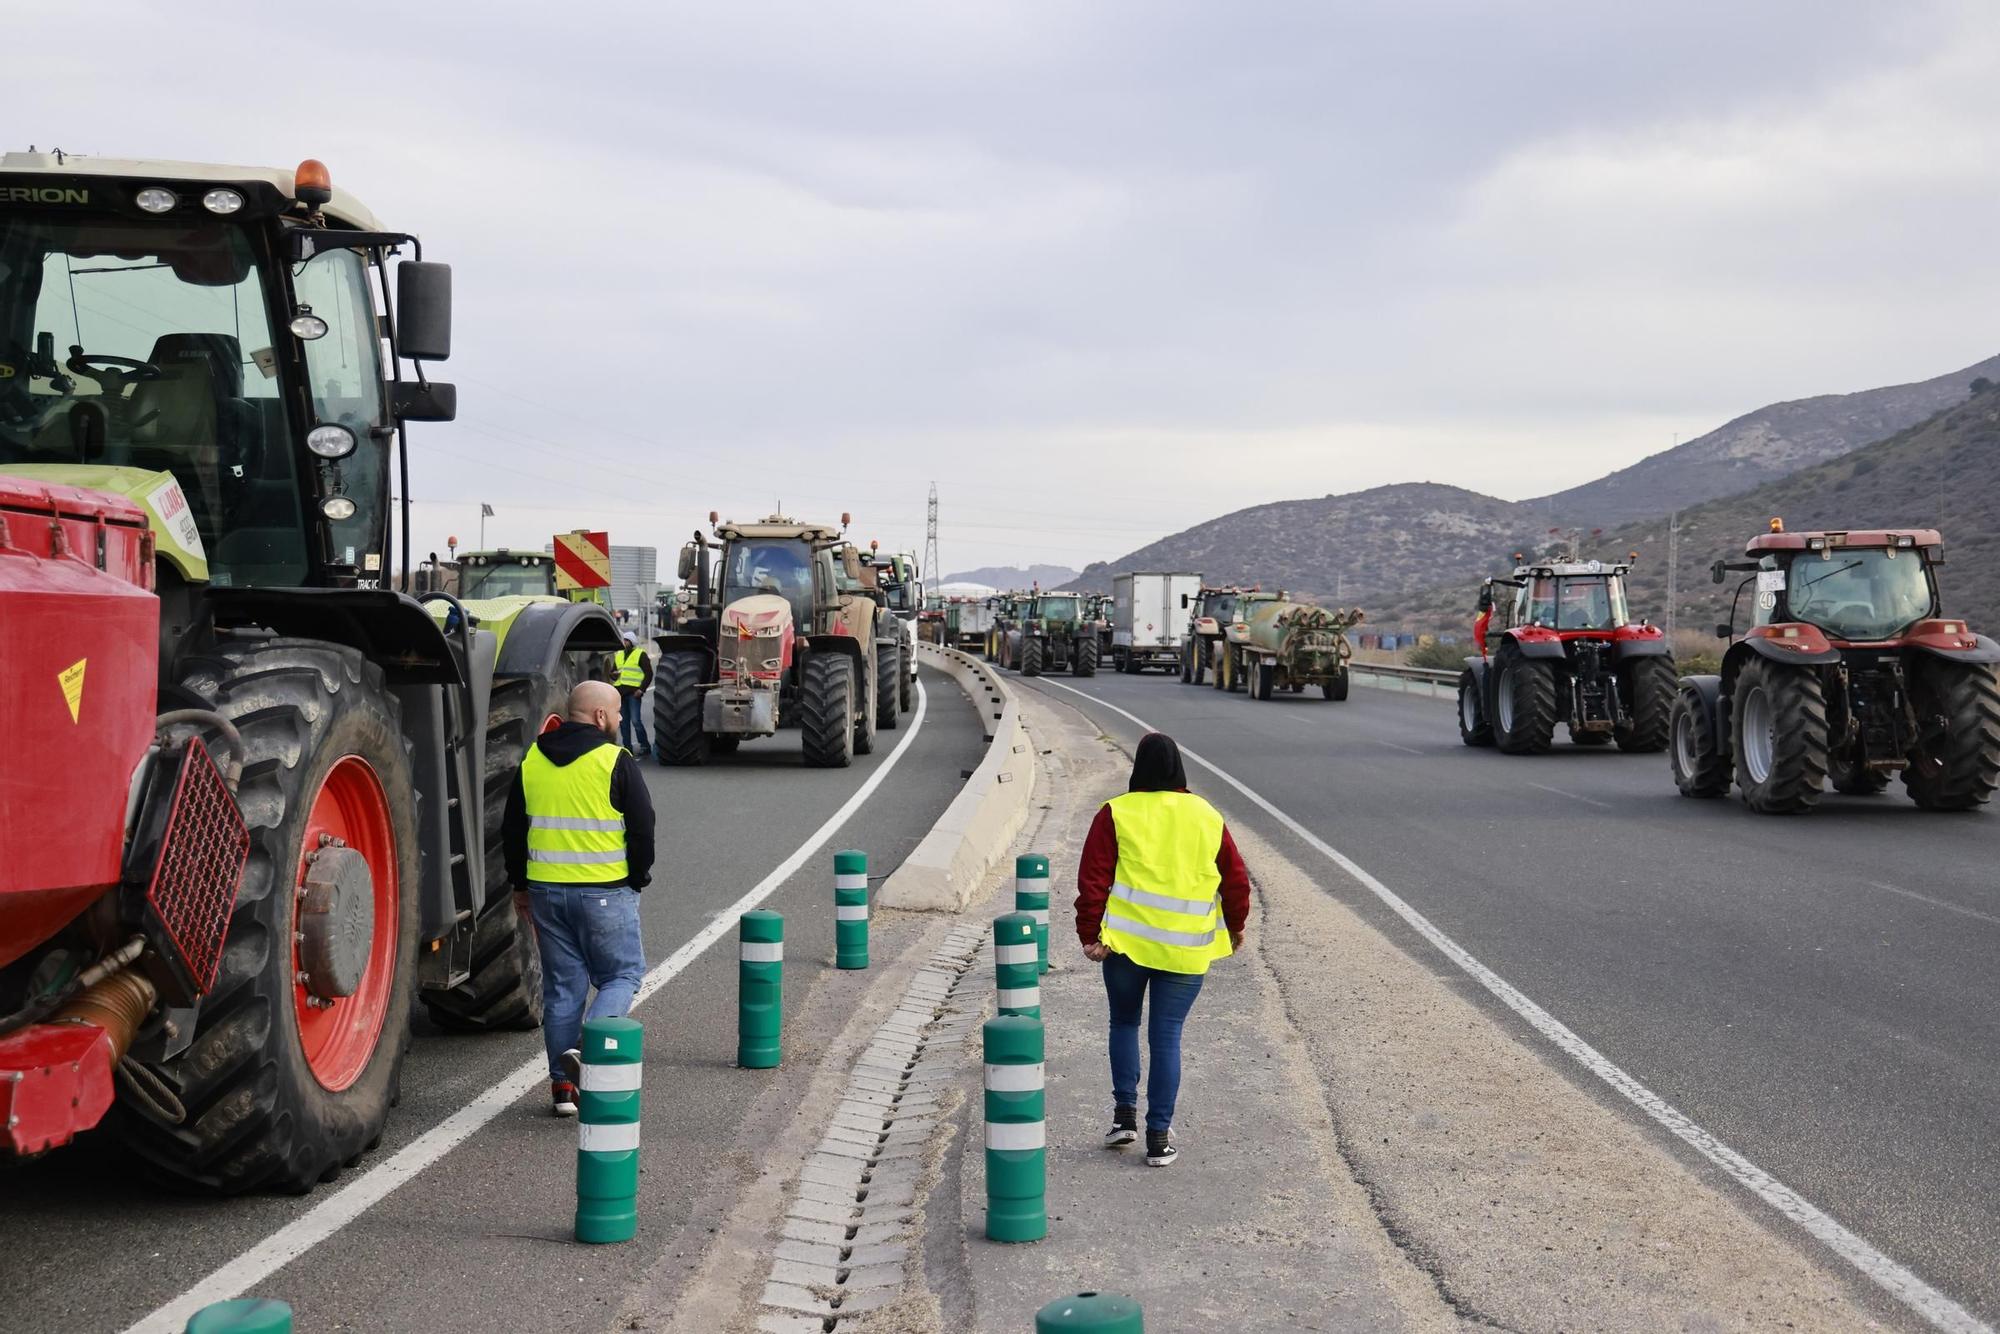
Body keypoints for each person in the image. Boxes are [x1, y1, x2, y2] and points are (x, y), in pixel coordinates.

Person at [1074, 733, 1252, 1167]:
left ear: (1138, 768)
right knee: (1166, 1036)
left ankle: (1124, 1118)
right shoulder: (1206, 815)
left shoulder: (1116, 812)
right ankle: (1158, 1138)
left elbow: (1093, 878)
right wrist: (1235, 925)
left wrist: (1089, 933)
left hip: (1126, 946)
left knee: (1123, 1023)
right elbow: (1236, 880)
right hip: (1185, 951)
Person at [502, 680, 656, 1116]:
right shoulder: (615, 760)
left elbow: (512, 829)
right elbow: (643, 825)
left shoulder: (533, 759)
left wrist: (519, 885)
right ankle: (588, 1051)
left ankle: (563, 1088)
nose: (622, 719)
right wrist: (638, 876)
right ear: (602, 716)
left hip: (547, 894)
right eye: (618, 714)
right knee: (621, 976)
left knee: (563, 988)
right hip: (605, 892)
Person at [613, 633, 653, 756]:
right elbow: (612, 672)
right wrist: (613, 674)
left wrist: (641, 689)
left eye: (627, 641)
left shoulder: (640, 654)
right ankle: (627, 748)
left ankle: (645, 746)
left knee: (636, 721)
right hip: (621, 694)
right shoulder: (619, 655)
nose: (624, 643)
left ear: (632, 642)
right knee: (623, 722)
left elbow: (649, 673)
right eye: (623, 640)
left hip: (633, 694)